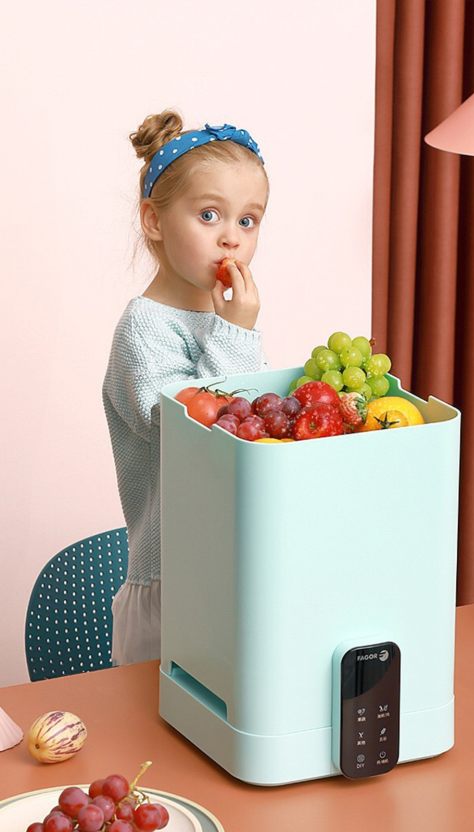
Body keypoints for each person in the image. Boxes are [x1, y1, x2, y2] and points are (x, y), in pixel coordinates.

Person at [102, 110, 270, 665]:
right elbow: (198, 431)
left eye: (248, 221)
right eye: (209, 214)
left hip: (226, 573)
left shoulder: (225, 321)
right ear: (153, 220)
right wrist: (236, 332)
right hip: (169, 584)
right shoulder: (143, 329)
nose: (231, 238)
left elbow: (251, 430)